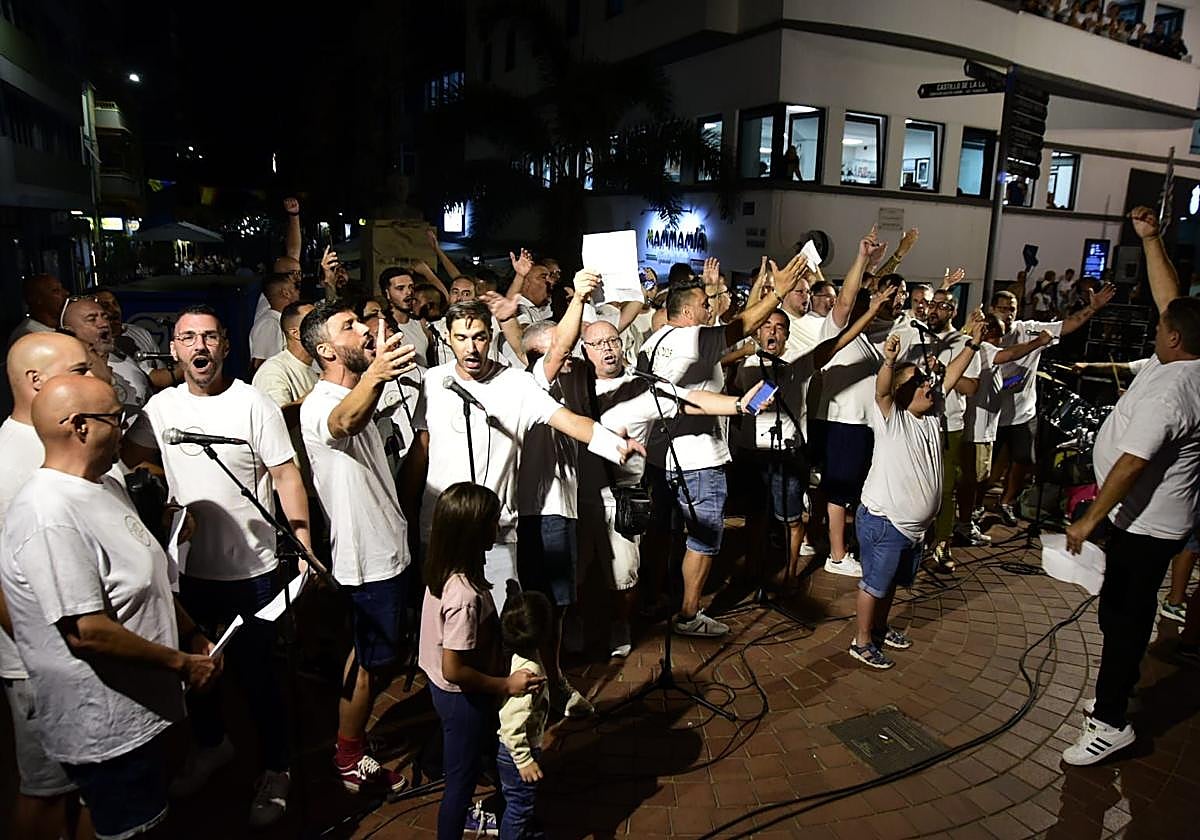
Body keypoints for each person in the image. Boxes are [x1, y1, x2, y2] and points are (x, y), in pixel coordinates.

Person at [0, 376, 219, 840]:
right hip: (108, 723)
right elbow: (87, 631)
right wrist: (181, 664)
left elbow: (148, 578)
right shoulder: (48, 512)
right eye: (116, 418)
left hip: (143, 709)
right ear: (79, 426)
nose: (124, 430)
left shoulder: (104, 486)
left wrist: (191, 632)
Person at [122, 304, 310, 826]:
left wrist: (302, 544)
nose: (199, 346)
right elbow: (131, 457)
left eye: (208, 337)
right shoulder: (161, 408)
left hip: (253, 570)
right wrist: (161, 495)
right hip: (187, 572)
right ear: (175, 349)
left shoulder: (252, 404)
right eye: (188, 338)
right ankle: (211, 745)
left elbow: (286, 474)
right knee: (198, 674)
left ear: (225, 344)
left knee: (259, 677)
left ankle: (276, 767)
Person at [1061, 206, 1200, 764]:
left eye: (1163, 325)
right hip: (1144, 521)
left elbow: (1132, 463)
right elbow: (1172, 300)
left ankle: (1111, 721)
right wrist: (1150, 239)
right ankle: (1114, 692)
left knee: (1123, 620)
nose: (1157, 325)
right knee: (1120, 613)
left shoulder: (1172, 393)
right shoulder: (1184, 359)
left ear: (1173, 338)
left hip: (1146, 527)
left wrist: (1090, 519)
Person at [577, 318, 770, 656]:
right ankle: (577, 625)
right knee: (577, 570)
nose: (608, 348)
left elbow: (690, 400)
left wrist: (739, 405)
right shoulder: (573, 385)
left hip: (620, 497)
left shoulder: (642, 387)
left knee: (625, 575)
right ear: (584, 351)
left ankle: (621, 625)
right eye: (598, 343)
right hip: (577, 495)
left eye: (613, 340)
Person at [637, 253, 805, 637]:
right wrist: (777, 293)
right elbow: (743, 325)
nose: (710, 308)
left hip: (662, 457)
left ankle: (652, 598)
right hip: (698, 458)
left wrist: (719, 292)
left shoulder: (655, 341)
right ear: (687, 311)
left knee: (661, 533)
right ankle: (689, 613)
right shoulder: (692, 338)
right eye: (704, 304)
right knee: (704, 537)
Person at [299, 301, 417, 794]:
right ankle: (348, 755)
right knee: (368, 663)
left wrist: (377, 377)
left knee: (375, 656)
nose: (363, 330)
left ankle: (353, 740)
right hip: (367, 559)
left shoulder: (357, 393)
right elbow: (342, 423)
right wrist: (378, 373)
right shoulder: (320, 404)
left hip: (389, 547)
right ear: (326, 350)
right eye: (348, 327)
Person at [731, 288, 898, 587]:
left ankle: (790, 574)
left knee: (791, 519)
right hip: (752, 452)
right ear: (757, 332)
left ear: (787, 334)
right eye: (766, 326)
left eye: (779, 327)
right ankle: (754, 570)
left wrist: (871, 312)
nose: (772, 332)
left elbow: (839, 341)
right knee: (755, 516)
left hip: (786, 453)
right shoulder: (748, 361)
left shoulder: (799, 361)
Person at [0, 333, 95, 840]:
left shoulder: (75, 431)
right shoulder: (8, 460)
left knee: (92, 791)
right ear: (36, 381)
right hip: (44, 666)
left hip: (89, 652)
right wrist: (49, 653)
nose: (93, 377)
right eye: (79, 370)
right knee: (46, 791)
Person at [850, 316, 985, 669]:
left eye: (926, 381)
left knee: (891, 584)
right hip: (885, 522)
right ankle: (861, 642)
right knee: (874, 585)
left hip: (912, 529)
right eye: (918, 382)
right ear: (902, 393)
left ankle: (879, 628)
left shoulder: (933, 414)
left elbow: (950, 377)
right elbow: (882, 391)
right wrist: (889, 361)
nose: (928, 385)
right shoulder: (893, 417)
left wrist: (972, 344)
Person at [418, 483, 545, 839]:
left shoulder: (446, 572)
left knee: (467, 768)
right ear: (472, 532)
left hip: (449, 693)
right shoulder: (464, 597)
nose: (497, 527)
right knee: (461, 782)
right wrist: (507, 684)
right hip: (460, 700)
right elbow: (454, 669)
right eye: (492, 522)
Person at [810, 229, 909, 579]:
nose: (872, 308)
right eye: (866, 304)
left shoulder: (865, 339)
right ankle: (837, 556)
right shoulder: (834, 327)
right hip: (844, 422)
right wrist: (861, 257)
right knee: (839, 491)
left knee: (841, 488)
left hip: (859, 425)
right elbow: (846, 299)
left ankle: (824, 540)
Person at [991, 283, 1113, 526]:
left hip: (1023, 412)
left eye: (1012, 308)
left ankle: (1007, 502)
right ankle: (974, 506)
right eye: (1003, 309)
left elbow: (1067, 325)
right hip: (991, 413)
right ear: (993, 309)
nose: (1008, 314)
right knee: (986, 465)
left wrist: (1092, 308)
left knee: (1023, 460)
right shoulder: (986, 335)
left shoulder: (1029, 330)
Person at [496, 587, 554, 840]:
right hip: (517, 751)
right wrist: (524, 760)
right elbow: (511, 724)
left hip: (514, 751)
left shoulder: (515, 655)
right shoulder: (529, 674)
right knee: (519, 807)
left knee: (517, 802)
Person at [61, 296, 153, 419]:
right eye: (92, 319)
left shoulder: (125, 360)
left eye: (105, 317)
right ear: (69, 331)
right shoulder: (69, 381)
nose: (104, 324)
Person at [379, 266, 434, 368]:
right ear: (387, 293)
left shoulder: (422, 324)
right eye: (400, 288)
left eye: (411, 287)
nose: (408, 292)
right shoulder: (382, 327)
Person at [249, 273, 300, 373]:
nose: (299, 292)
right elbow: (260, 363)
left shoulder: (278, 320)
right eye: (296, 287)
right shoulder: (270, 323)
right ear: (286, 293)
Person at [8, 274, 69, 347]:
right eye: (55, 291)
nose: (66, 293)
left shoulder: (64, 327)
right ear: (37, 298)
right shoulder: (27, 337)